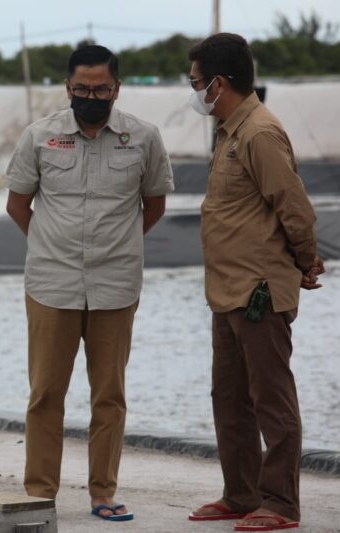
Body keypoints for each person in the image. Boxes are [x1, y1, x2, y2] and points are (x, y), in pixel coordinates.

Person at [5, 44, 174, 521]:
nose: (92, 96)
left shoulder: (144, 138)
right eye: (82, 89)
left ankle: (103, 493)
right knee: (44, 395)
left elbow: (154, 205)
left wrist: (116, 245)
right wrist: (51, 244)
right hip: (50, 284)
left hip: (116, 286)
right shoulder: (39, 136)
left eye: (101, 89)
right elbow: (18, 205)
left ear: (117, 88)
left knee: (110, 395)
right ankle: (39, 494)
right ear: (68, 88)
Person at [186, 33, 325, 532]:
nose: (195, 90)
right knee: (229, 397)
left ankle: (281, 502)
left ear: (218, 84)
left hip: (258, 292)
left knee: (272, 399)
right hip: (227, 291)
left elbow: (294, 207)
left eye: (197, 82)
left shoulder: (260, 132)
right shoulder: (230, 130)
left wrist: (307, 262)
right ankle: (240, 493)